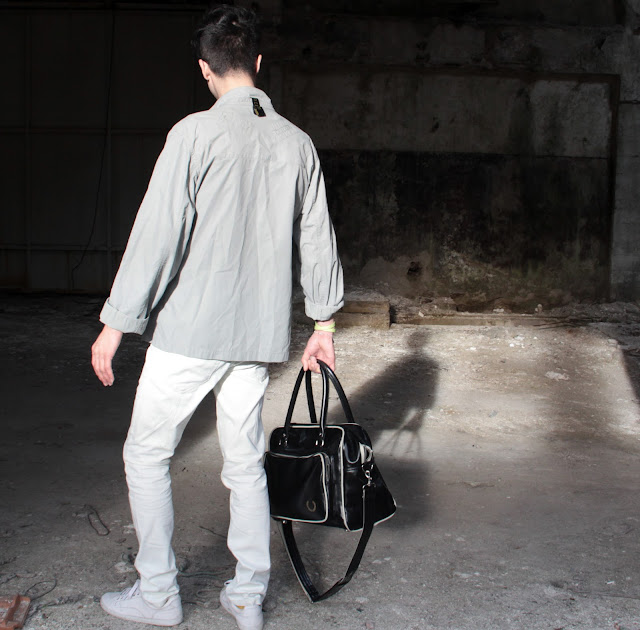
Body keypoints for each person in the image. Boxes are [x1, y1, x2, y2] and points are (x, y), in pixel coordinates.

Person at [90, 5, 343, 629]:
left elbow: (159, 234)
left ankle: (158, 594)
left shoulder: (194, 134)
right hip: (256, 336)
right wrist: (323, 325)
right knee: (245, 462)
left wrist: (117, 322)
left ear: (205, 69)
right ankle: (247, 595)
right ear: (257, 62)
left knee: (146, 455)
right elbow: (318, 239)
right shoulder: (297, 143)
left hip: (191, 331)